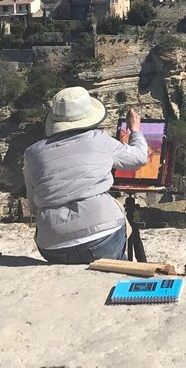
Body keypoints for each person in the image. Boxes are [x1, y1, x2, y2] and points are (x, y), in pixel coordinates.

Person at [23, 86, 147, 264]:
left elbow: (33, 207)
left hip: (52, 245)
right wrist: (135, 130)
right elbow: (140, 157)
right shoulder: (100, 139)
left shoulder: (32, 153)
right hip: (102, 236)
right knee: (118, 266)